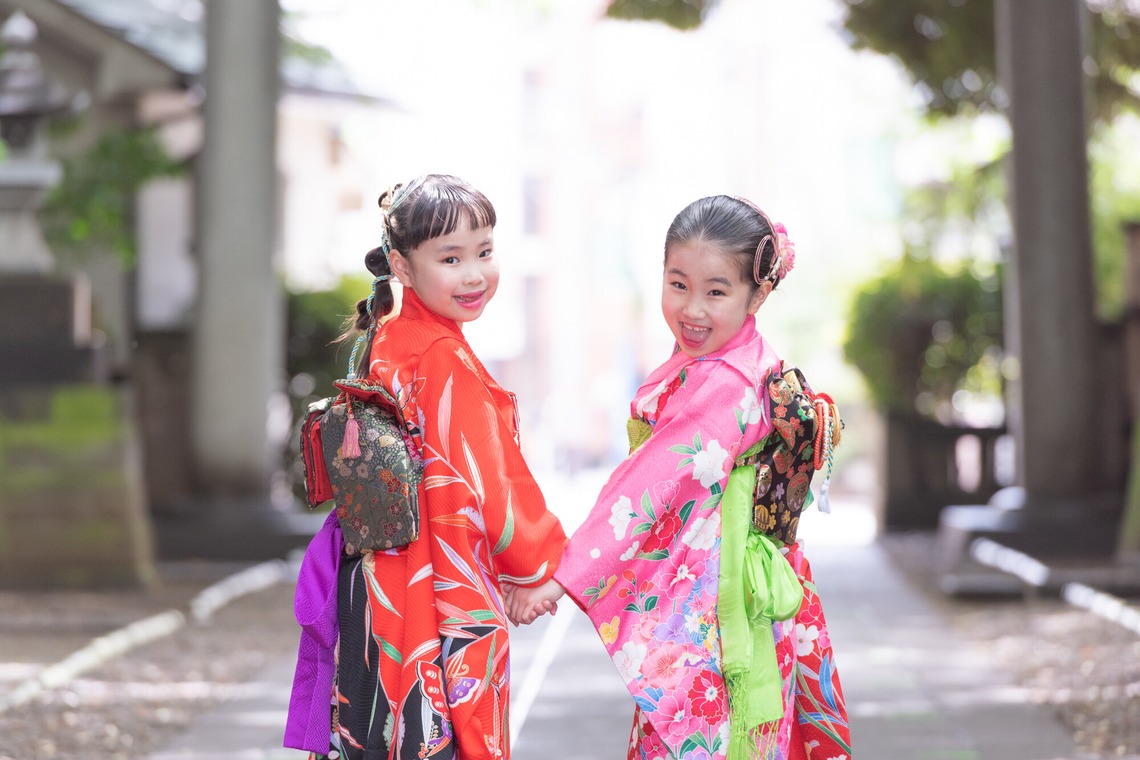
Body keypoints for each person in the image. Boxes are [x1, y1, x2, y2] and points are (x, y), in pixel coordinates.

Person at [506, 195, 851, 759]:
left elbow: (645, 489)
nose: (692, 308)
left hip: (727, 606)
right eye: (677, 284)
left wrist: (560, 579)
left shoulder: (726, 383)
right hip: (749, 593)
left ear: (757, 295)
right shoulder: (736, 359)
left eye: (716, 291)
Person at [290, 174, 567, 760]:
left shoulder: (391, 336)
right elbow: (491, 477)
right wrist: (536, 570)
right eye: (451, 258)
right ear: (403, 265)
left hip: (375, 581)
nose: (474, 274)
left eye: (484, 252)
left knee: (385, 730)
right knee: (448, 730)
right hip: (437, 582)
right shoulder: (441, 354)